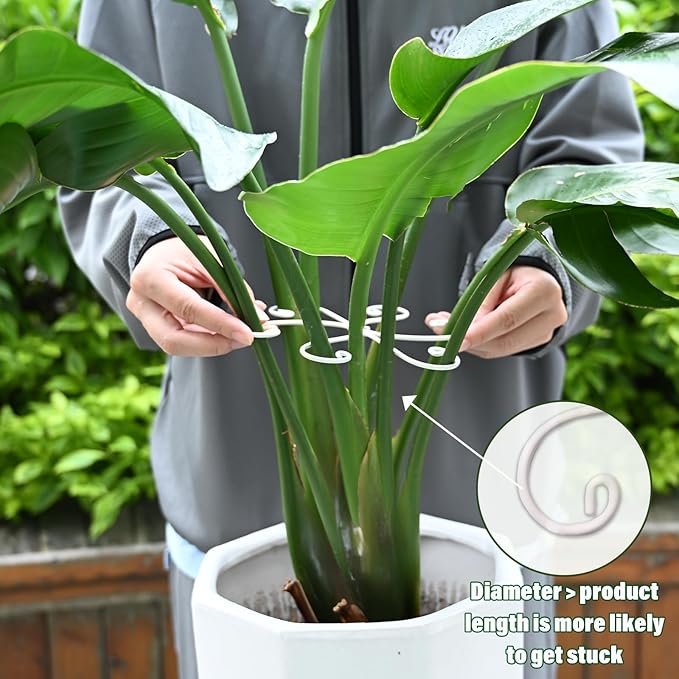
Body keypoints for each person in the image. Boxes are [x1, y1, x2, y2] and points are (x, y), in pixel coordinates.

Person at [59, 1, 643, 677]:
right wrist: (148, 243)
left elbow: (591, 164)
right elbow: (91, 150)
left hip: (486, 525)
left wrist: (546, 260)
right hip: (236, 533)